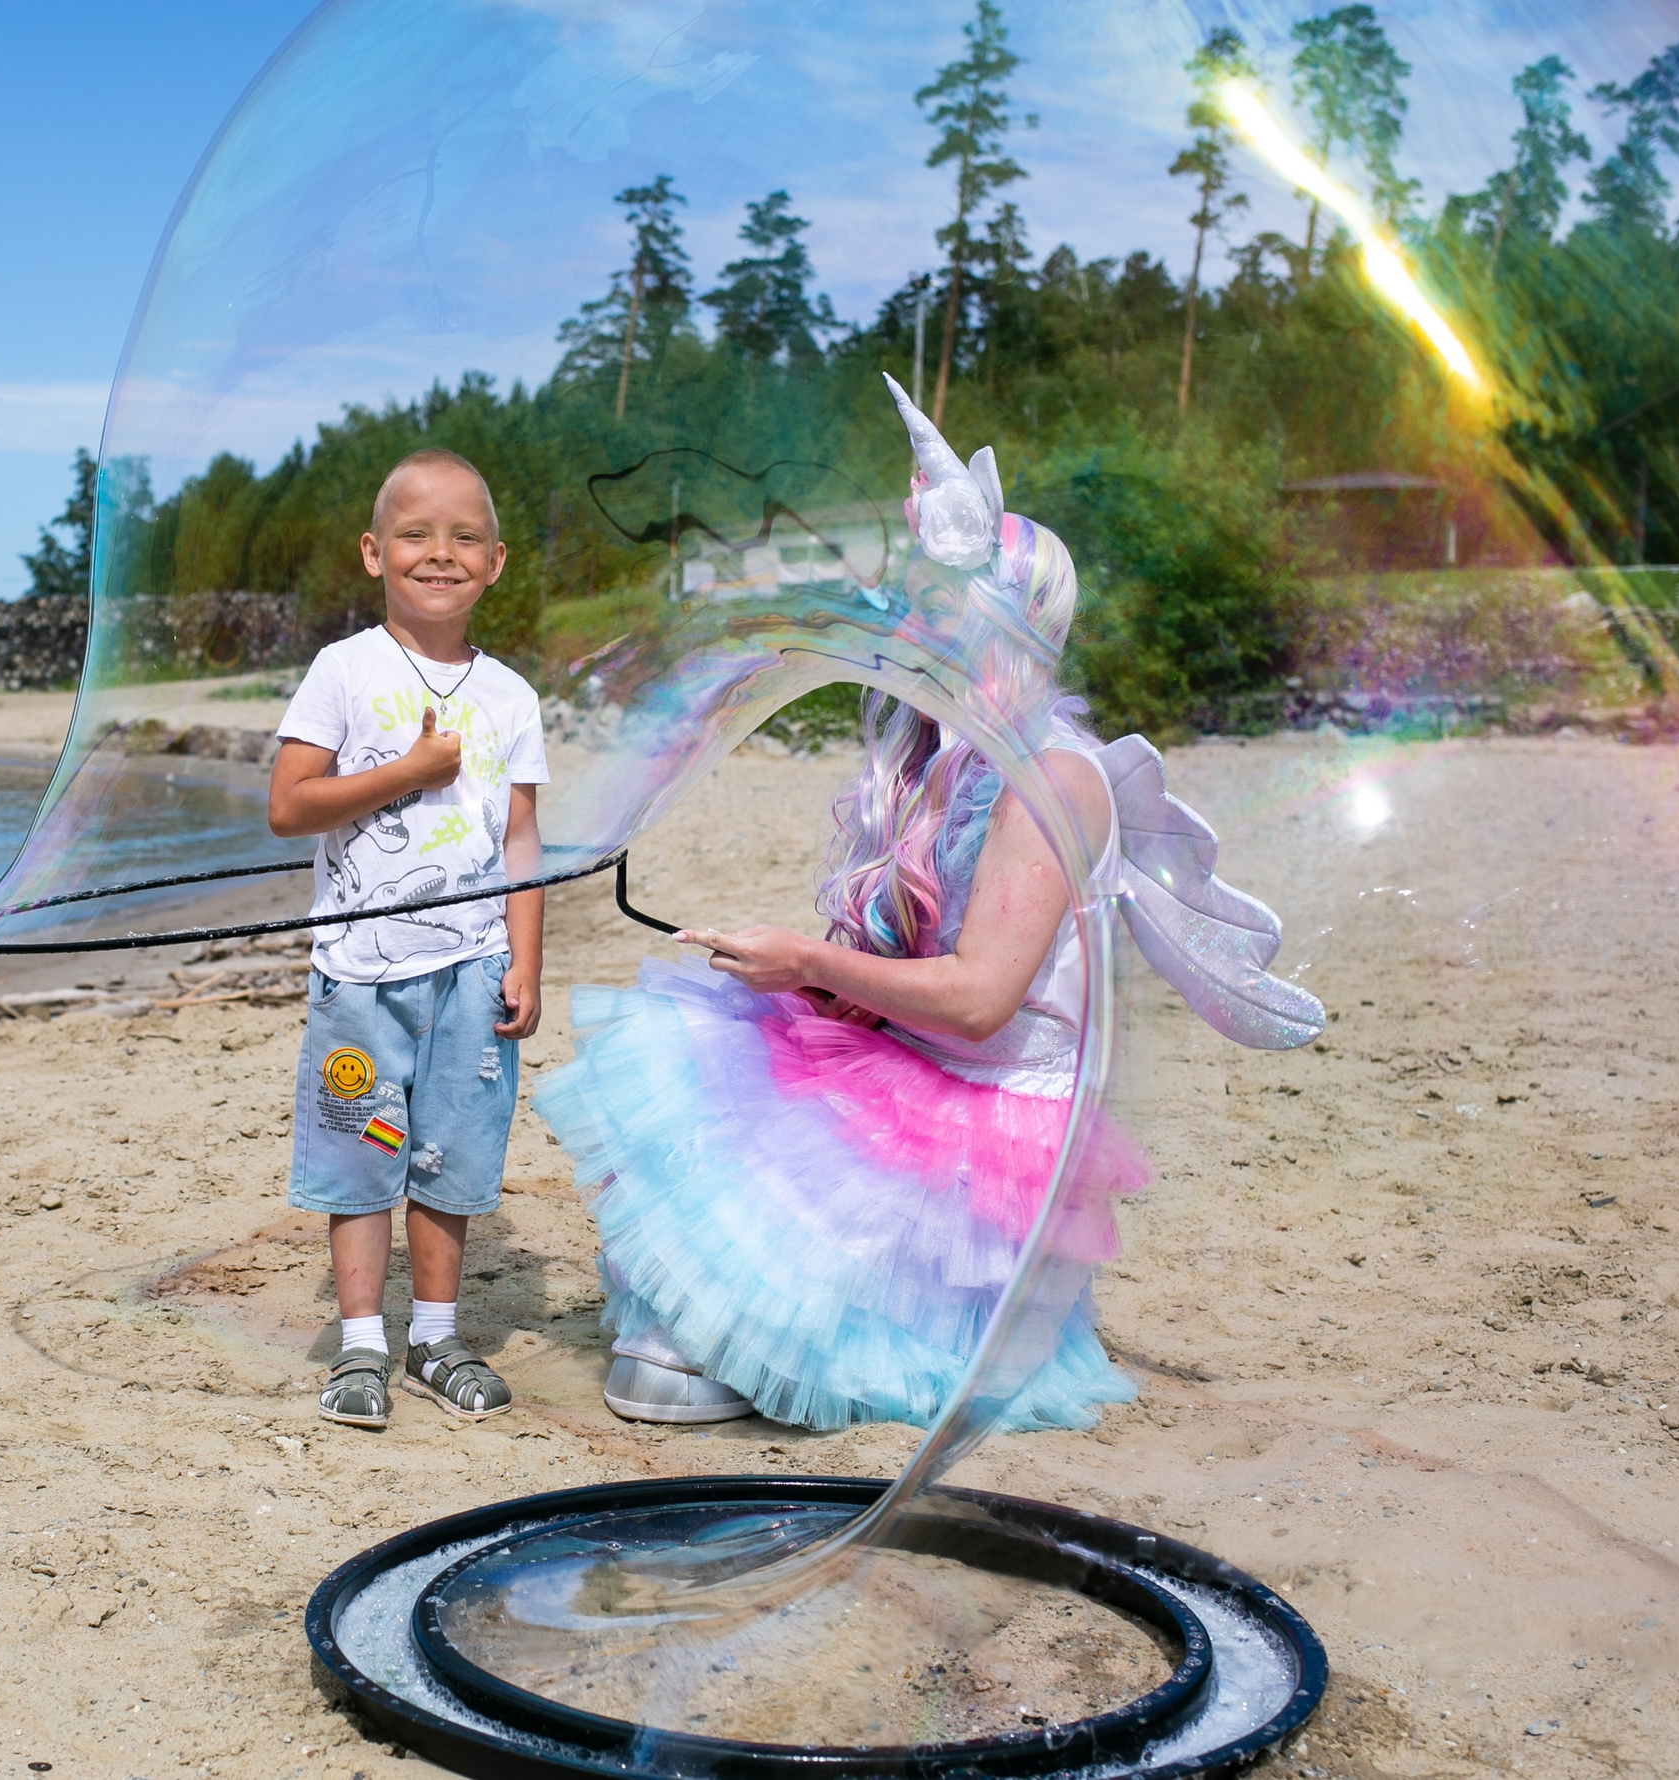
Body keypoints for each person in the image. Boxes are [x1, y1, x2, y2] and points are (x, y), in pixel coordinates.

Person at [533, 378, 1324, 1430]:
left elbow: (981, 999)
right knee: (702, 1111)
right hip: (927, 1071)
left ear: (1003, 623)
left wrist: (808, 965)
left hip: (997, 1127)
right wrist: (827, 984)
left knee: (707, 1328)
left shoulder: (1058, 776)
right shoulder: (938, 762)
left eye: (932, 606)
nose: (902, 623)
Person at [267, 447, 548, 1429]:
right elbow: (289, 806)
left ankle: (434, 1335)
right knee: (364, 1149)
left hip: (471, 974)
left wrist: (527, 960)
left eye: (465, 536)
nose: (441, 553)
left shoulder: (510, 696)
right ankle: (359, 1347)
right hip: (360, 977)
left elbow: (518, 836)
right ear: (373, 553)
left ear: (497, 560)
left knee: (450, 1154)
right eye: (416, 534)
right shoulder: (343, 670)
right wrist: (411, 770)